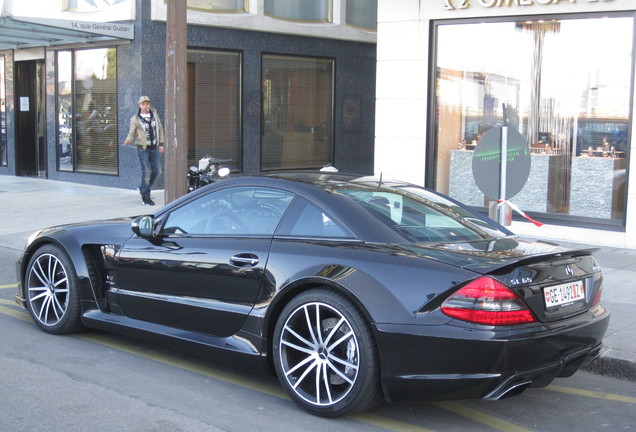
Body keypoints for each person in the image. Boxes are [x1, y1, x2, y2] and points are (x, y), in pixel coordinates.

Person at [124, 96, 165, 205]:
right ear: (140, 105)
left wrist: (161, 144)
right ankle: (146, 197)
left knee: (157, 172)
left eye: (147, 103)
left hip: (154, 148)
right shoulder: (135, 119)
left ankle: (143, 188)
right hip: (143, 149)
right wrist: (128, 140)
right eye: (143, 104)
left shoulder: (154, 115)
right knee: (146, 173)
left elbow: (160, 128)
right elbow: (132, 132)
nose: (145, 106)